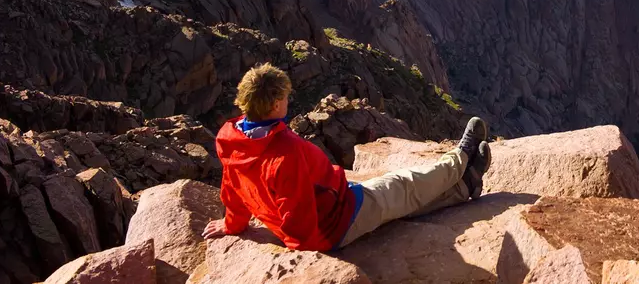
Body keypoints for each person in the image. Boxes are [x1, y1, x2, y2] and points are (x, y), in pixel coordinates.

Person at [202, 63, 490, 251]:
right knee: (404, 185)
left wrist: (233, 224)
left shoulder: (231, 137)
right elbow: (296, 212)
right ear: (276, 105)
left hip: (331, 204)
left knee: (399, 203)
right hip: (337, 218)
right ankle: (460, 157)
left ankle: (466, 185)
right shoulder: (283, 153)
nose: (289, 101)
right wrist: (305, 254)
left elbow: (233, 187)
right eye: (286, 98)